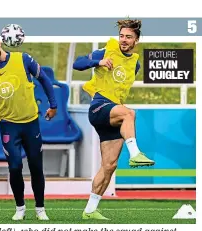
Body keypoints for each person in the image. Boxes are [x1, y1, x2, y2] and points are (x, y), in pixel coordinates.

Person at [73, 19, 155, 220]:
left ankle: (90, 211)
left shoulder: (134, 64)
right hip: (99, 106)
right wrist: (97, 62)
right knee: (129, 113)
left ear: (136, 40)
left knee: (109, 166)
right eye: (121, 36)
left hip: (111, 113)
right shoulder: (106, 51)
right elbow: (78, 63)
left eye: (128, 37)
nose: (124, 40)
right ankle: (135, 153)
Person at [0, 27, 57, 221]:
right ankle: (20, 208)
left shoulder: (23, 59)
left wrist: (53, 105)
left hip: (30, 123)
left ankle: (40, 208)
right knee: (14, 166)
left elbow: (44, 79)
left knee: (36, 167)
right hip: (8, 125)